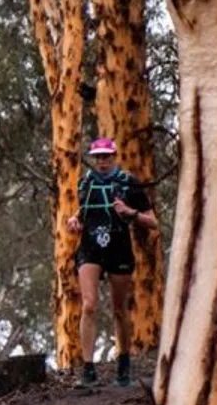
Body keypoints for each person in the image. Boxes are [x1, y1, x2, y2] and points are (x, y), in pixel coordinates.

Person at [66, 136, 158, 387]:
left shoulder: (129, 184)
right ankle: (87, 369)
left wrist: (131, 213)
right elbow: (83, 211)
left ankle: (124, 363)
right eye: (98, 157)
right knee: (89, 305)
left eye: (106, 156)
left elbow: (153, 221)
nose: (102, 161)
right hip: (90, 247)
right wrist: (75, 221)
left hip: (119, 246)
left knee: (119, 309)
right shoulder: (85, 182)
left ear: (114, 156)